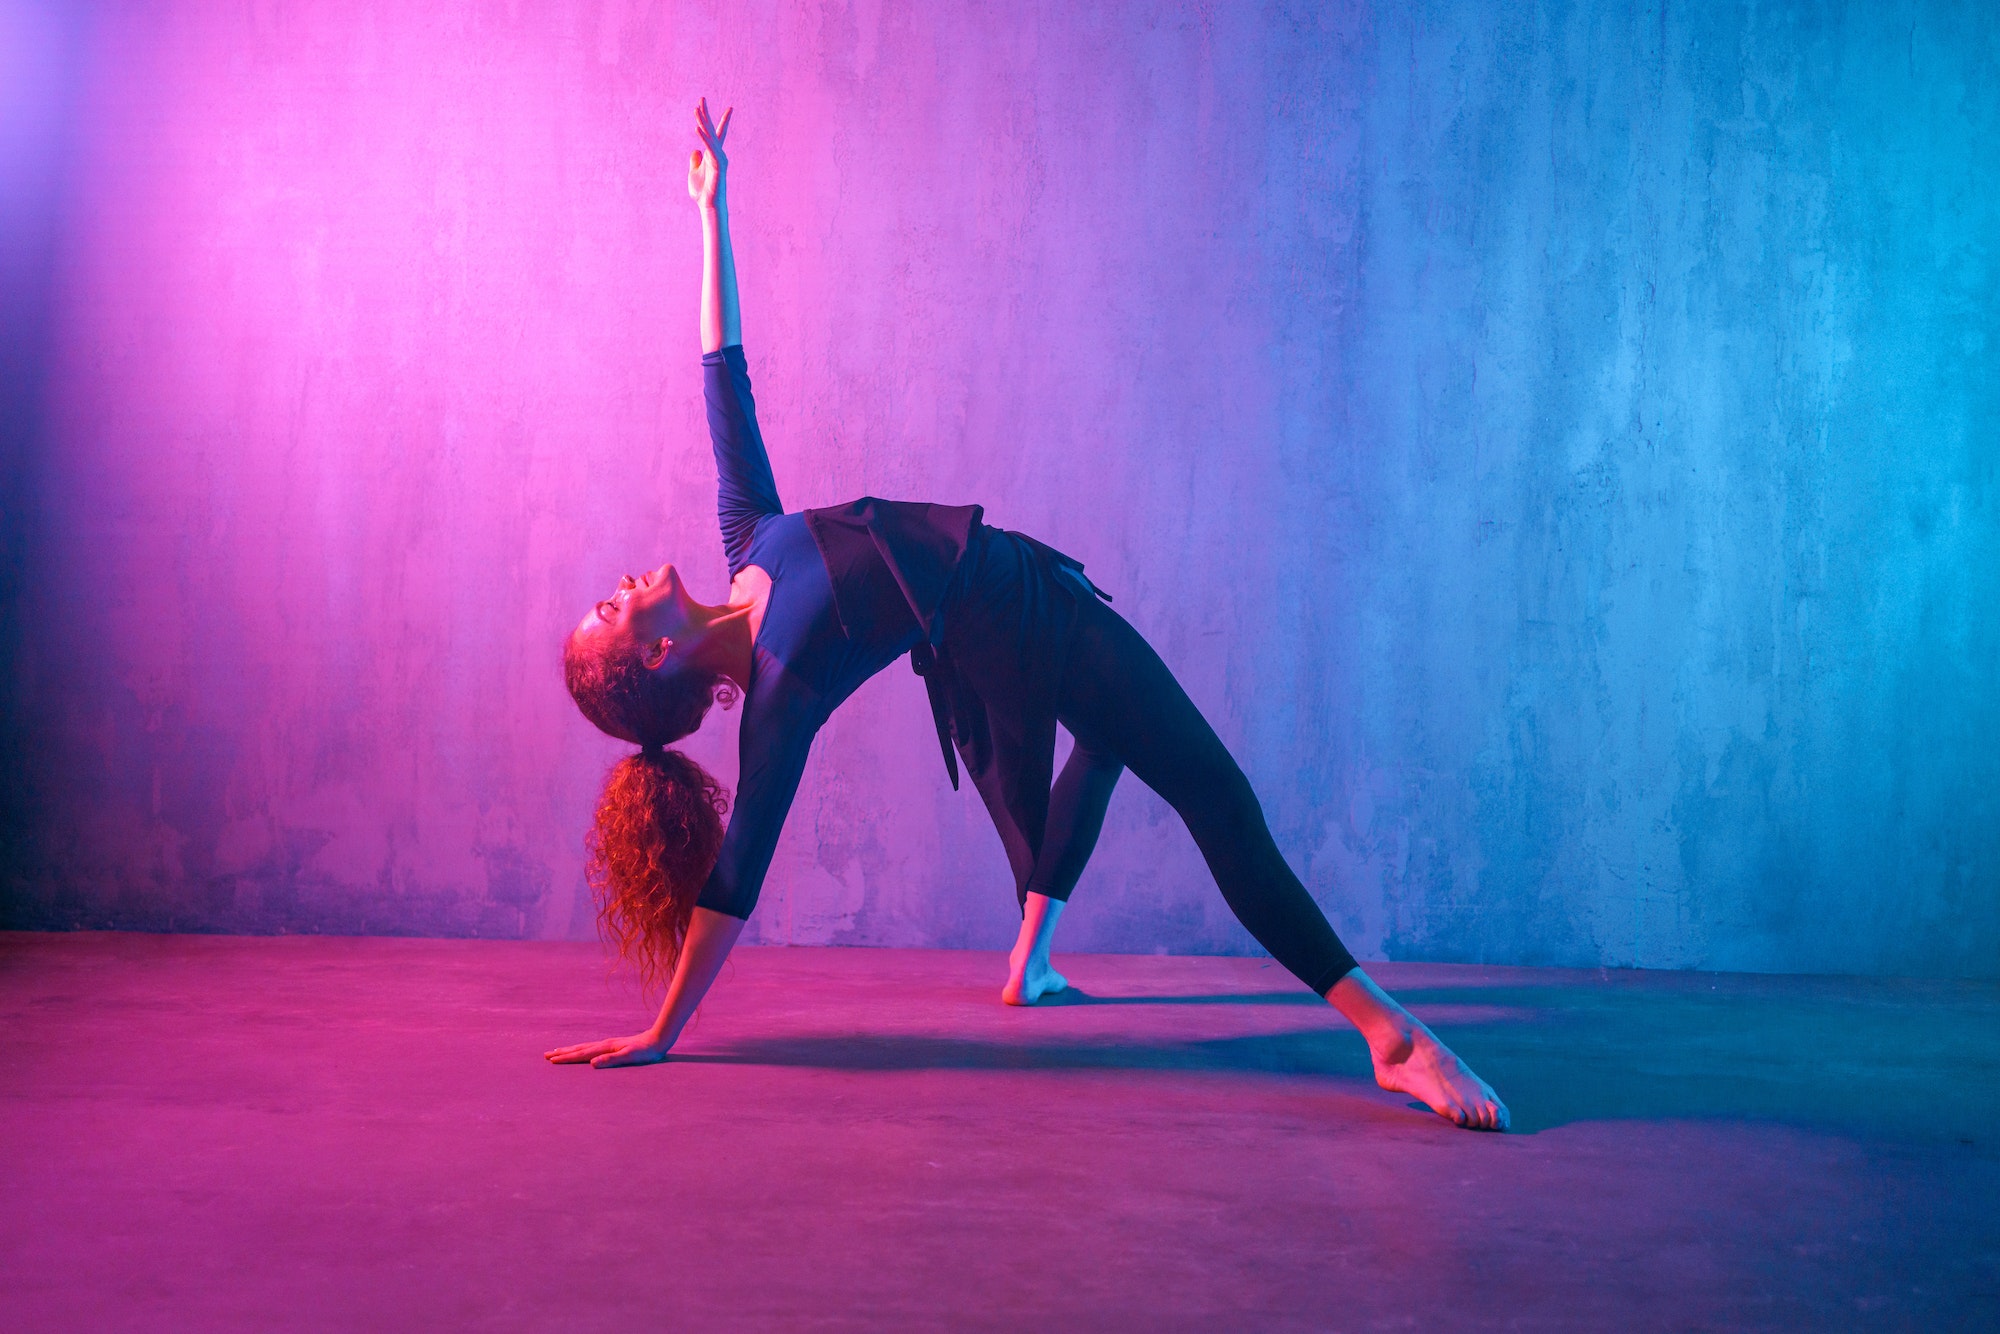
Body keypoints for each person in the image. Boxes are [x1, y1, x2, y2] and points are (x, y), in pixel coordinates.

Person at [544, 100, 1509, 1132]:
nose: (618, 580)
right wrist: (663, 1029)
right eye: (609, 607)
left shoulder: (748, 543)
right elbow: (737, 873)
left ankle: (1031, 959)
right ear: (652, 652)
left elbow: (721, 374)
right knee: (1214, 794)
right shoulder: (779, 692)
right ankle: (1388, 1035)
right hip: (1028, 624)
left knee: (1103, 746)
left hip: (983, 641)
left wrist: (711, 210)